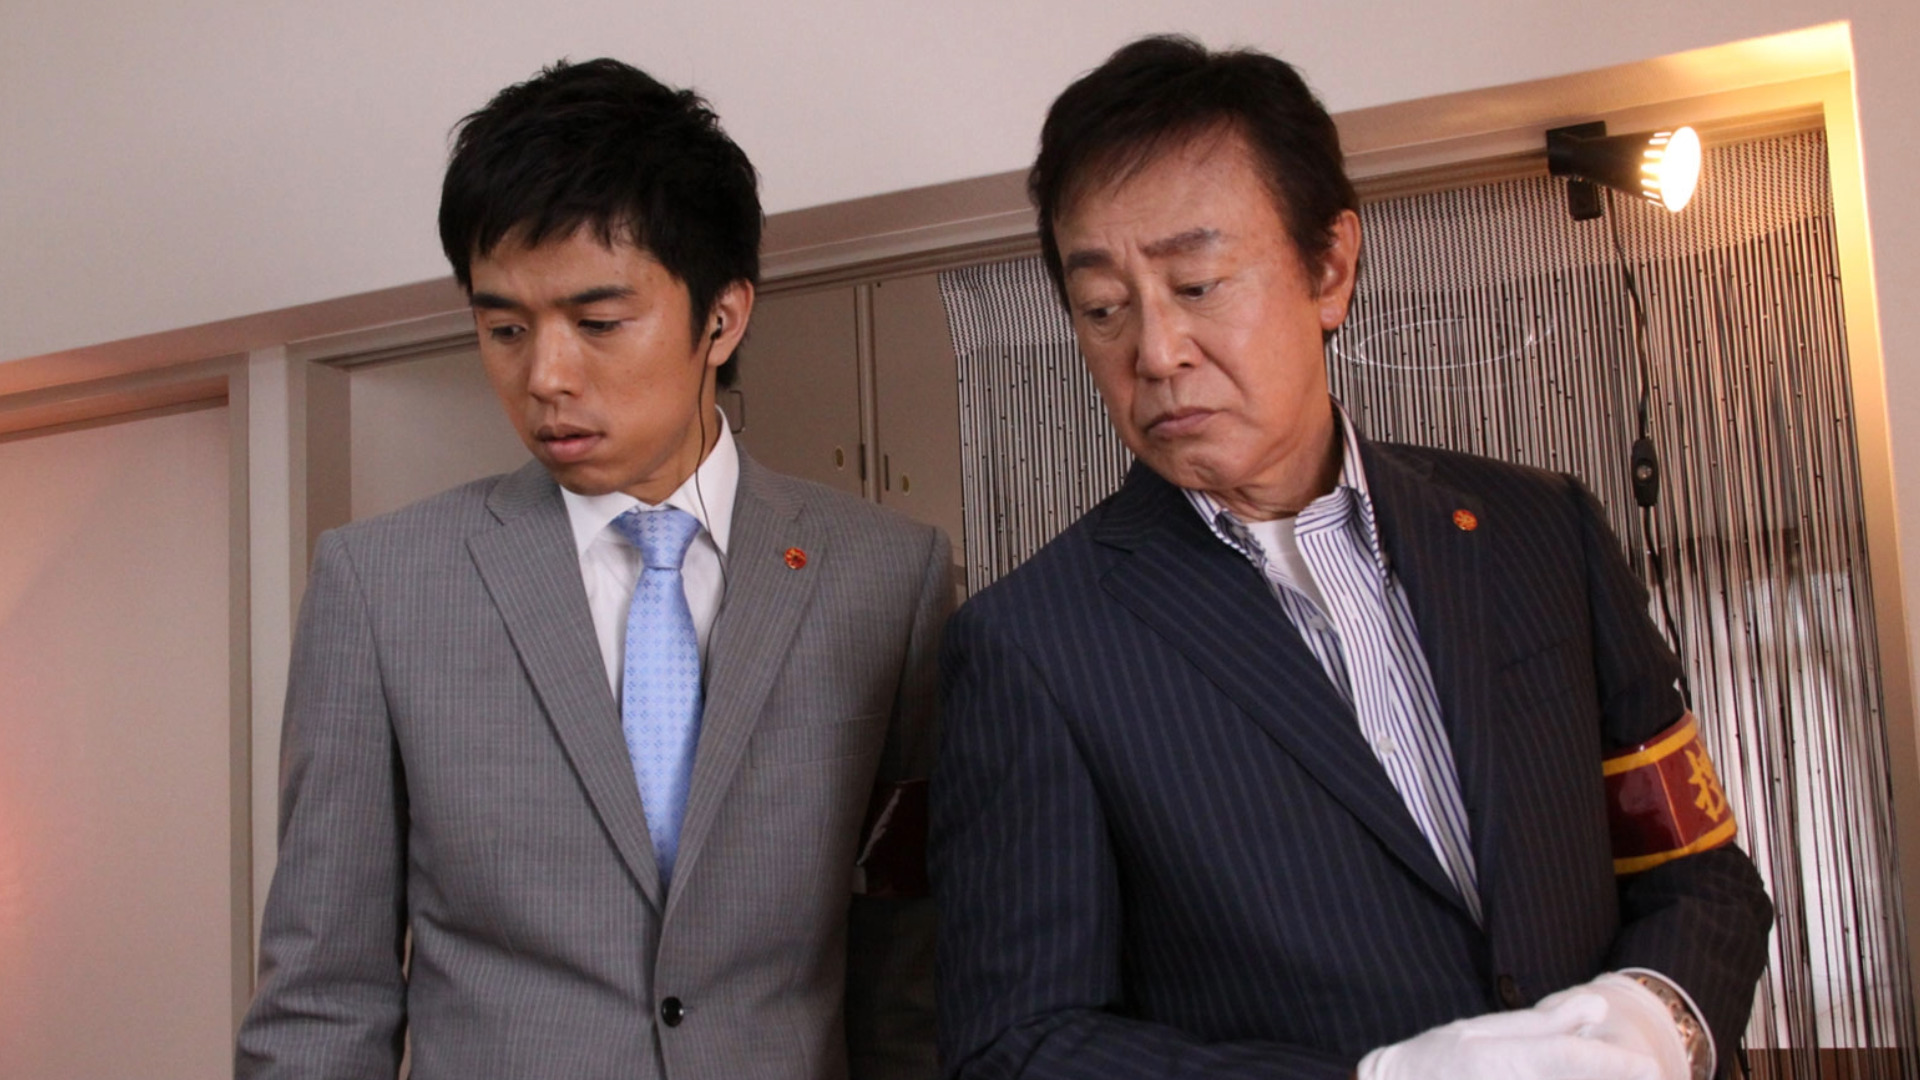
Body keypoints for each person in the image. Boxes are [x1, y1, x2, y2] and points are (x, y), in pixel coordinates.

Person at [931, 35, 1771, 1080]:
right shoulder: (1033, 646)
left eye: (1198, 283)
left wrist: (1653, 1019)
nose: (1154, 352)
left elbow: (1699, 871)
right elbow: (1017, 1045)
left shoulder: (1540, 531)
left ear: (1328, 269)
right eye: (1103, 309)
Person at [236, 58, 946, 1080]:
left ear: (722, 318)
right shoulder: (380, 587)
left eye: (599, 323)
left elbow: (905, 973)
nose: (545, 376)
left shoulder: (887, 579)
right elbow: (321, 999)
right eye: (504, 329)